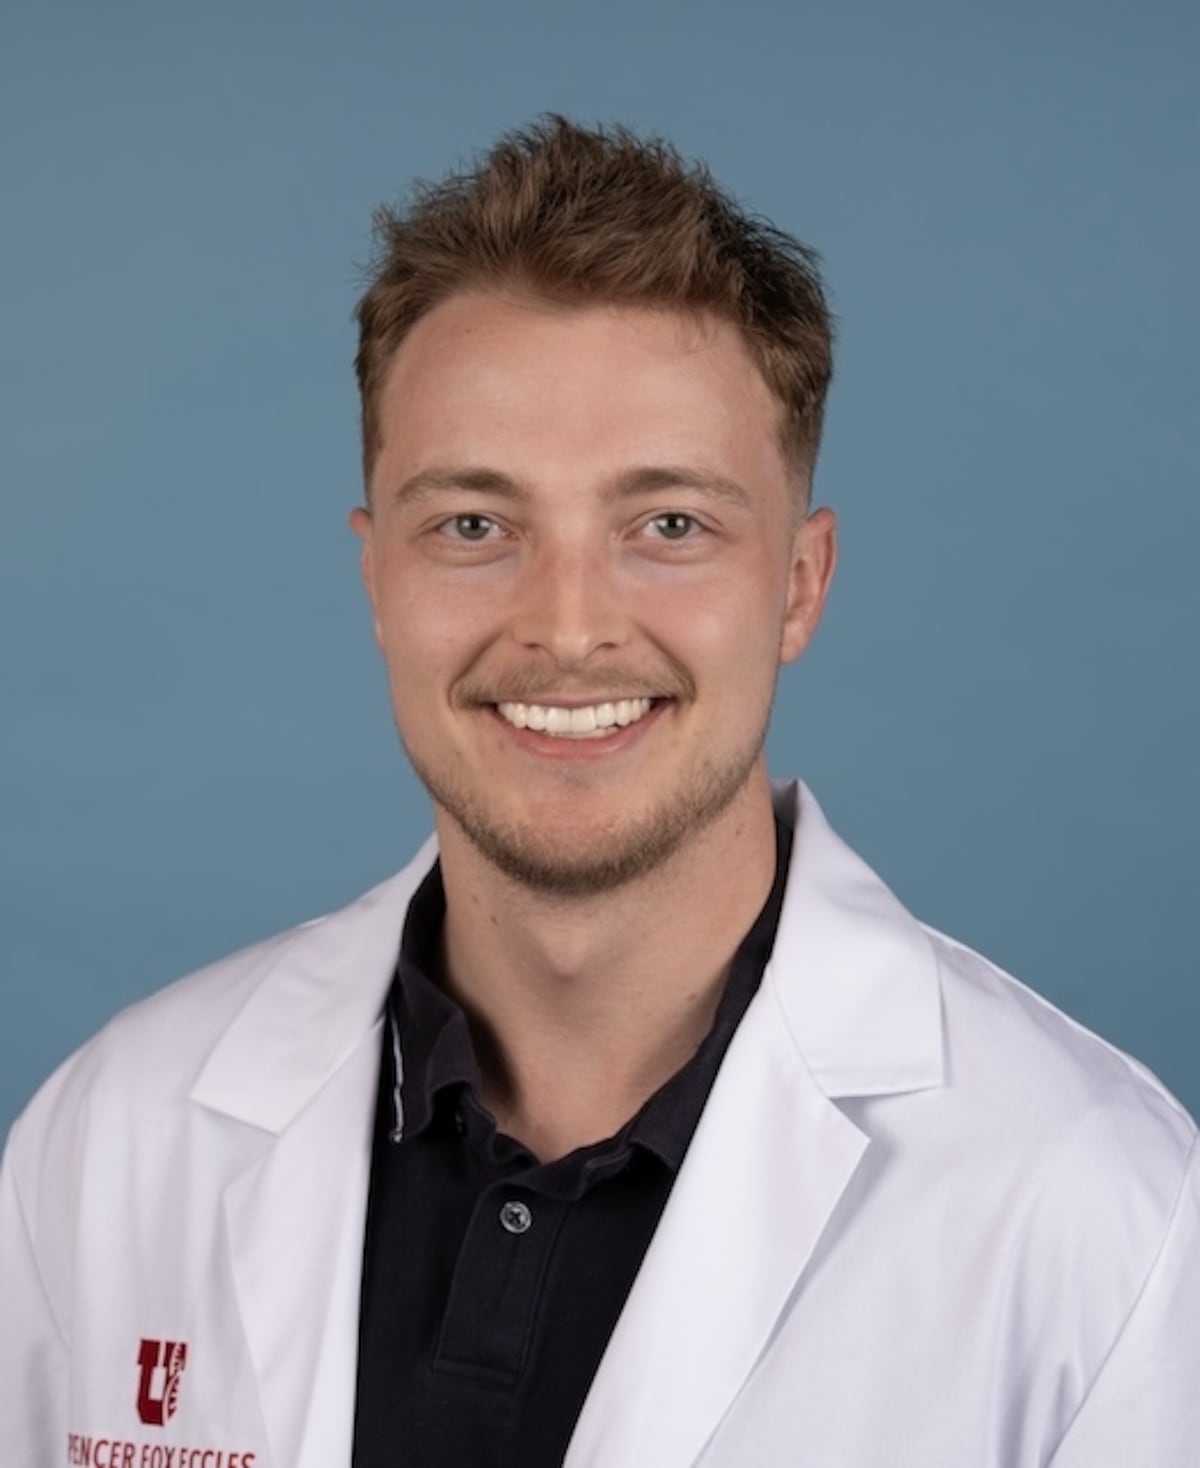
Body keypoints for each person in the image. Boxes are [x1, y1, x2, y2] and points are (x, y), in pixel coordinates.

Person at [2, 117, 1196, 1468]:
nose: (568, 630)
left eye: (668, 525)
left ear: (799, 586)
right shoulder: (110, 1143)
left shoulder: (1101, 1214)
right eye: (474, 525)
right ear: (376, 579)